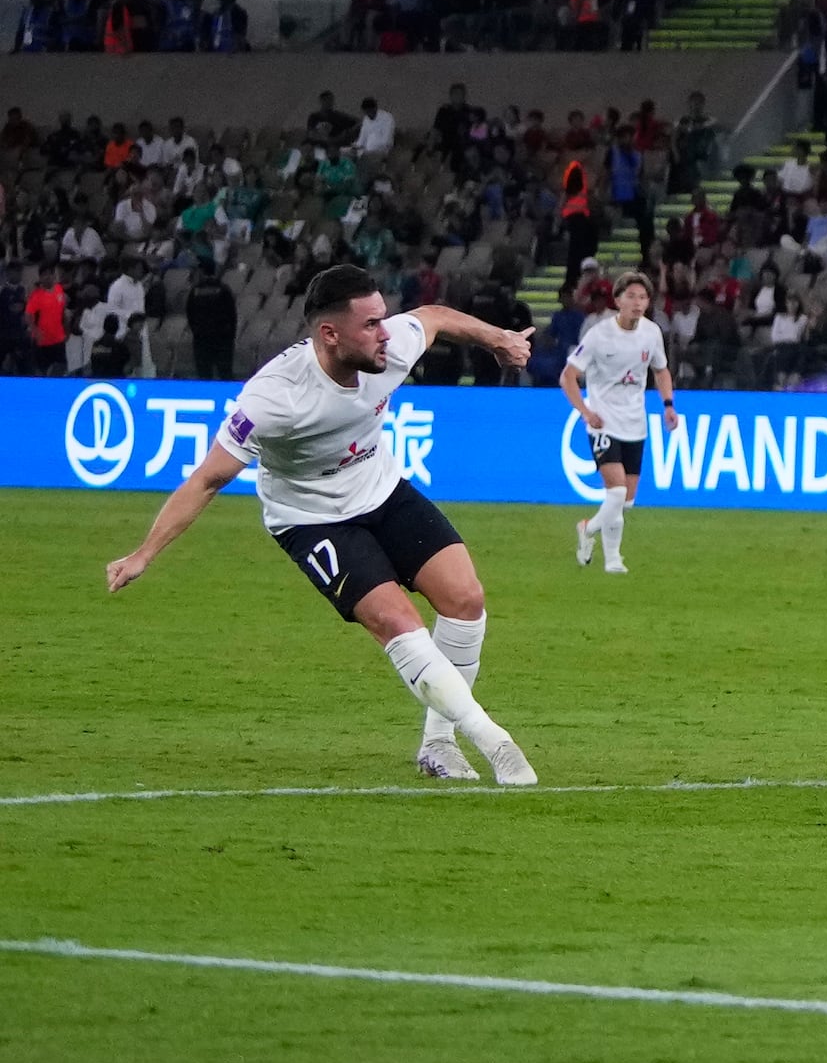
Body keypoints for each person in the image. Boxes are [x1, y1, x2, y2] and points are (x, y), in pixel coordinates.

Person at [97, 264, 540, 784]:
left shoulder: (391, 347)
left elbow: (435, 316)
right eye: (371, 324)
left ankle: (438, 745)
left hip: (381, 490)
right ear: (329, 334)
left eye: (383, 318)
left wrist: (499, 339)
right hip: (310, 519)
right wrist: (144, 553)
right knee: (399, 623)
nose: (386, 332)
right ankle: (497, 744)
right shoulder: (274, 398)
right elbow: (206, 480)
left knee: (466, 601)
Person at [565, 267, 673, 577]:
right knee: (615, 492)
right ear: (618, 300)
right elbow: (568, 376)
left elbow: (661, 370)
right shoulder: (599, 335)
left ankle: (606, 550)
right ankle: (596, 539)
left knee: (625, 502)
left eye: (643, 297)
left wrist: (668, 405)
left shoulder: (652, 333)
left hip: (635, 423)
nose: (638, 303)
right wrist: (586, 412)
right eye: (631, 296)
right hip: (604, 422)